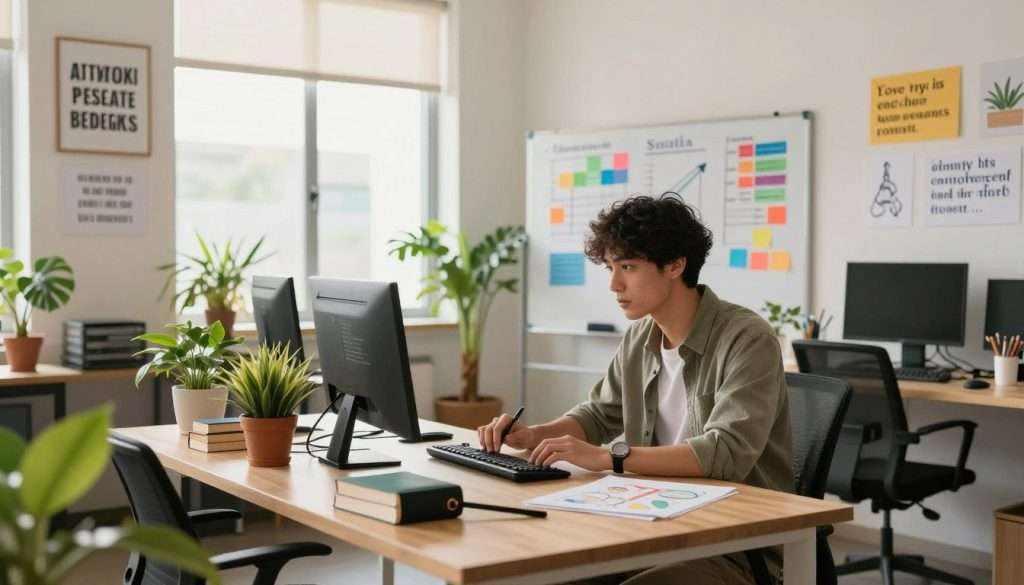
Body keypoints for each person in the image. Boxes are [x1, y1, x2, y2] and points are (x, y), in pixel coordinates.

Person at [478, 194, 793, 585]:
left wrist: (610, 457)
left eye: (628, 266)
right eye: (611, 267)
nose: (614, 283)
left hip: (735, 546)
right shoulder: (641, 336)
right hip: (653, 526)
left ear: (676, 265)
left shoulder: (747, 338)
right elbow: (598, 414)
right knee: (535, 573)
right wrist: (535, 435)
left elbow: (725, 452)